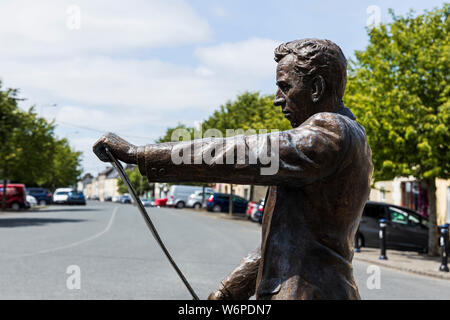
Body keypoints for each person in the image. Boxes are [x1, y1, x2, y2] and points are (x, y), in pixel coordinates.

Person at [93, 38, 373, 300]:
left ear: (316, 89)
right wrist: (226, 295)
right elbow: (286, 245)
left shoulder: (330, 132)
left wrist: (138, 154)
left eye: (285, 87)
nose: (277, 99)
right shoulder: (339, 141)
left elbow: (244, 152)